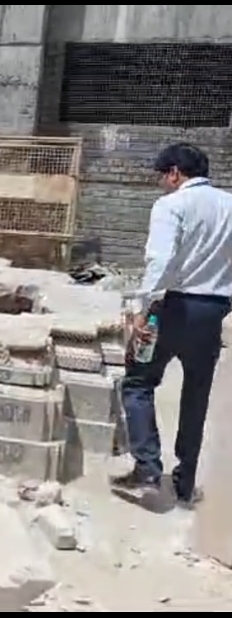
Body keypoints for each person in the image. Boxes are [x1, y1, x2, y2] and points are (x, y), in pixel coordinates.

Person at [114, 143, 232, 505]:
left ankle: (148, 469)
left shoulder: (171, 205)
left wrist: (140, 309)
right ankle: (184, 482)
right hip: (212, 312)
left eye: (162, 177)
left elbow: (160, 261)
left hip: (169, 308)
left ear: (175, 173)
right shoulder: (229, 204)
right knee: (196, 395)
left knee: (137, 382)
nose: (162, 184)